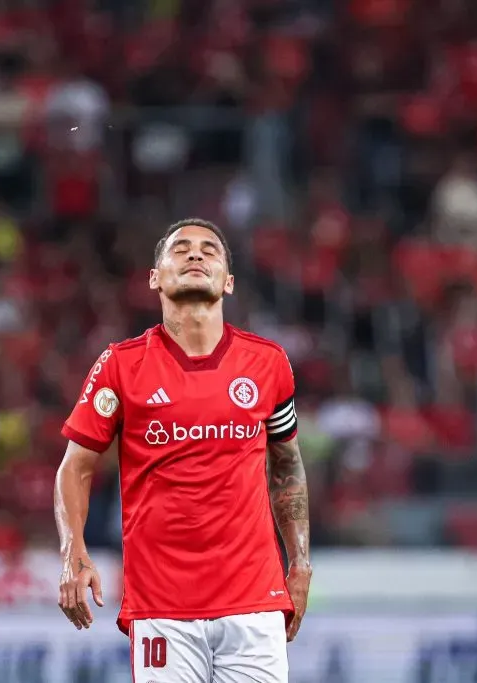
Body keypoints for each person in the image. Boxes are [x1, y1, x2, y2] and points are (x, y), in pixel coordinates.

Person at [55, 218, 311, 682]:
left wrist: (301, 562)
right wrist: (75, 551)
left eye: (210, 250)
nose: (196, 255)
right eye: (181, 249)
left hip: (254, 601)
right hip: (162, 607)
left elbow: (287, 466)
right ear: (155, 277)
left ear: (228, 282)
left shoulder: (268, 364)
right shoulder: (120, 365)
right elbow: (75, 466)